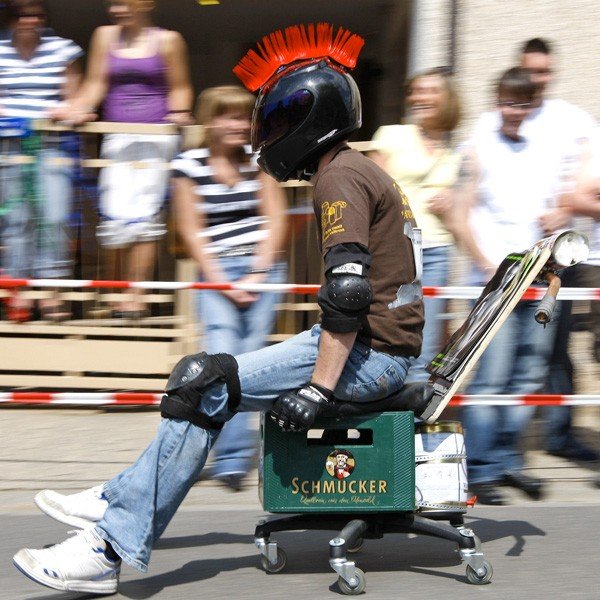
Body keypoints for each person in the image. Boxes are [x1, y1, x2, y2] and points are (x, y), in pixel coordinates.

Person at [12, 24, 445, 594]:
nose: (268, 135)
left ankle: (108, 548)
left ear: (313, 120)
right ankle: (119, 499)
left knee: (202, 386)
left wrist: (318, 389)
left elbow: (347, 294)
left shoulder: (339, 178)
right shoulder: (354, 168)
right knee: (205, 381)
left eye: (281, 121)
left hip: (370, 355)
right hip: (372, 347)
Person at [454, 67, 569, 505]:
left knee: (527, 375)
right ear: (497, 100)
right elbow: (459, 213)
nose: (515, 111)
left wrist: (559, 219)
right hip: (499, 282)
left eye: (524, 103)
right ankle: (480, 467)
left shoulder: (542, 150)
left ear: (533, 105)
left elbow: (555, 207)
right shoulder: (479, 146)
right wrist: (485, 264)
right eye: (508, 101)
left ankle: (507, 462)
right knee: (493, 377)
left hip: (541, 279)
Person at [171, 85, 288, 490]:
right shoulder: (187, 165)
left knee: (249, 362)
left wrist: (256, 273)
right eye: (228, 116)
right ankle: (231, 455)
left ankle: (233, 457)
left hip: (262, 268)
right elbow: (191, 230)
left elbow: (276, 220)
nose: (238, 124)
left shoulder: (261, 161)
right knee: (225, 357)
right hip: (215, 270)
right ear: (210, 121)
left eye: (243, 116)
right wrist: (221, 280)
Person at [52, 0, 193, 318]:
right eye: (113, 4)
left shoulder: (168, 40)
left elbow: (180, 89)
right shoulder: (105, 36)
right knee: (115, 211)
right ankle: (116, 292)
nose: (117, 9)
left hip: (157, 137)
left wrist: (180, 113)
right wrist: (77, 108)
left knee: (145, 215)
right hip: (117, 135)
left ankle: (136, 294)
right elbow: (95, 84)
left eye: (124, 3)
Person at [370, 67, 462, 382]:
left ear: (448, 99)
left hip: (437, 249)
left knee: (427, 341)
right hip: (399, 249)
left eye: (430, 90)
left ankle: (413, 426)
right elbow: (369, 189)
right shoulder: (391, 135)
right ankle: (393, 418)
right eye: (416, 91)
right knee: (396, 337)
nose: (420, 97)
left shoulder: (454, 152)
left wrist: (452, 204)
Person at [0, 0, 83, 321]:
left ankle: (51, 295)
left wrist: (69, 108)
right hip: (8, 146)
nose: (30, 20)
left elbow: (75, 98)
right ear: (11, 18)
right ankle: (18, 296)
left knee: (55, 216)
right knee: (16, 220)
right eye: (22, 14)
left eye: (36, 14)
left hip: (52, 145)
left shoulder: (62, 49)